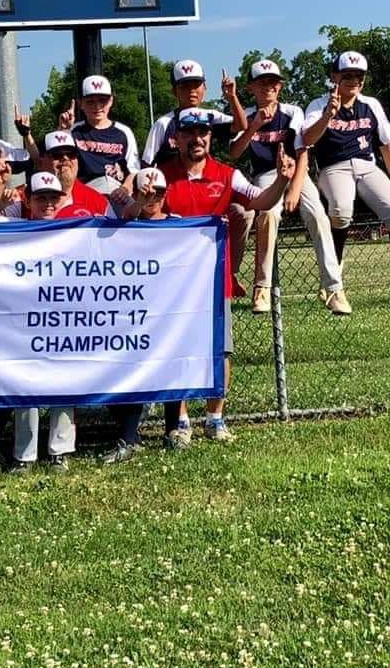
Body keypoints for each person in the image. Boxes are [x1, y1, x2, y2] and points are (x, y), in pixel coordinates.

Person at [160, 108, 296, 448]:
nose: (198, 138)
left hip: (213, 280)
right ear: (176, 138)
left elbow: (261, 201)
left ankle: (215, 418)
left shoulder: (227, 175)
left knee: (220, 351)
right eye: (190, 132)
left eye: (203, 132)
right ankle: (181, 421)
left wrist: (281, 179)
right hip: (173, 285)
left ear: (210, 137)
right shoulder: (162, 176)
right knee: (178, 351)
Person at [229, 60, 351, 314]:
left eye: (273, 82)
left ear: (280, 86)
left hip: (296, 171)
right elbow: (234, 153)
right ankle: (261, 288)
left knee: (318, 215)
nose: (268, 87)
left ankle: (333, 289)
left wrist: (295, 188)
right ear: (251, 87)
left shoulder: (292, 111)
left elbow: (302, 149)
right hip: (266, 173)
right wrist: (253, 127)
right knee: (268, 215)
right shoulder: (247, 115)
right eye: (261, 82)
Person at [0, 166, 76, 473]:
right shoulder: (14, 225)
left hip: (60, 316)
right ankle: (25, 455)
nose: (48, 203)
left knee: (63, 383)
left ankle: (59, 451)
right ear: (28, 199)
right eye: (41, 198)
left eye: (53, 198)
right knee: (25, 384)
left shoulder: (74, 230)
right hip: (22, 320)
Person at [141, 59, 250, 296]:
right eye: (184, 86)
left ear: (204, 88)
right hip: (171, 197)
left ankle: (229, 272)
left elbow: (241, 125)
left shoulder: (210, 117)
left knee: (241, 214)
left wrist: (232, 97)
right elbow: (147, 165)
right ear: (174, 91)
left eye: (196, 84)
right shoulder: (164, 123)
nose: (191, 91)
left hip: (210, 191)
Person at [100, 167, 175, 464]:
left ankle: (172, 430)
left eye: (158, 193)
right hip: (134, 312)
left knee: (171, 365)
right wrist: (137, 202)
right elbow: (127, 216)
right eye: (146, 193)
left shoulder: (181, 226)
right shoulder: (126, 225)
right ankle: (129, 435)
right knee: (131, 371)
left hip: (169, 307)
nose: (152, 198)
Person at [302, 51, 390, 268]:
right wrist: (327, 116)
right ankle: (335, 267)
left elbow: (386, 145)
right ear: (334, 76)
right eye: (347, 75)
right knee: (341, 211)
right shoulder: (319, 104)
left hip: (367, 166)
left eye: (359, 76)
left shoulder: (370, 104)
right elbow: (307, 139)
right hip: (334, 167)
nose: (354, 81)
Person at [59, 76, 139, 191]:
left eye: (102, 100)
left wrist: (125, 189)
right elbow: (56, 161)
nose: (97, 106)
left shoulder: (124, 132)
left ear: (111, 101)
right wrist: (63, 130)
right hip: (85, 192)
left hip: (117, 191)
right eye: (90, 101)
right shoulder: (74, 131)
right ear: (81, 103)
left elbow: (134, 170)